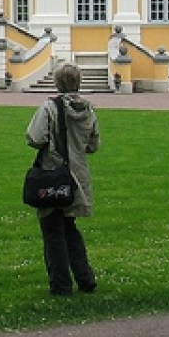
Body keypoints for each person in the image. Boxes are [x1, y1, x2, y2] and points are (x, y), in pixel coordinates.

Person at [25, 63, 100, 296]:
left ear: (57, 83)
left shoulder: (50, 107)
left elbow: (35, 138)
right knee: (69, 227)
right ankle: (85, 278)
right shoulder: (87, 109)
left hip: (53, 174)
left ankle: (61, 285)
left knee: (52, 230)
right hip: (77, 174)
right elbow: (93, 145)